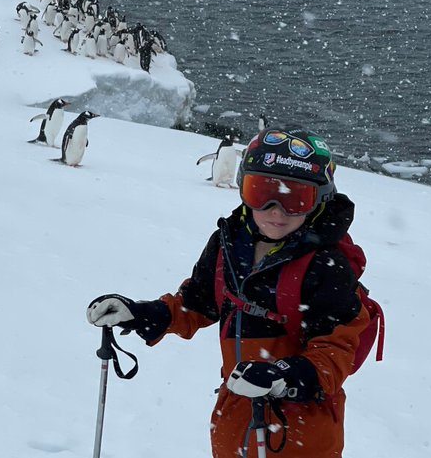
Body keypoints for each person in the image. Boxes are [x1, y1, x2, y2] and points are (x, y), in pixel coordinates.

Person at [86, 128, 372, 458]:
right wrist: (145, 313)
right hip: (236, 415)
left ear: (319, 199)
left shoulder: (326, 264)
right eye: (261, 192)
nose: (276, 210)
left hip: (300, 431)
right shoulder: (230, 243)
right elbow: (198, 303)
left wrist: (284, 376)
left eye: (295, 199)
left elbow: (335, 352)